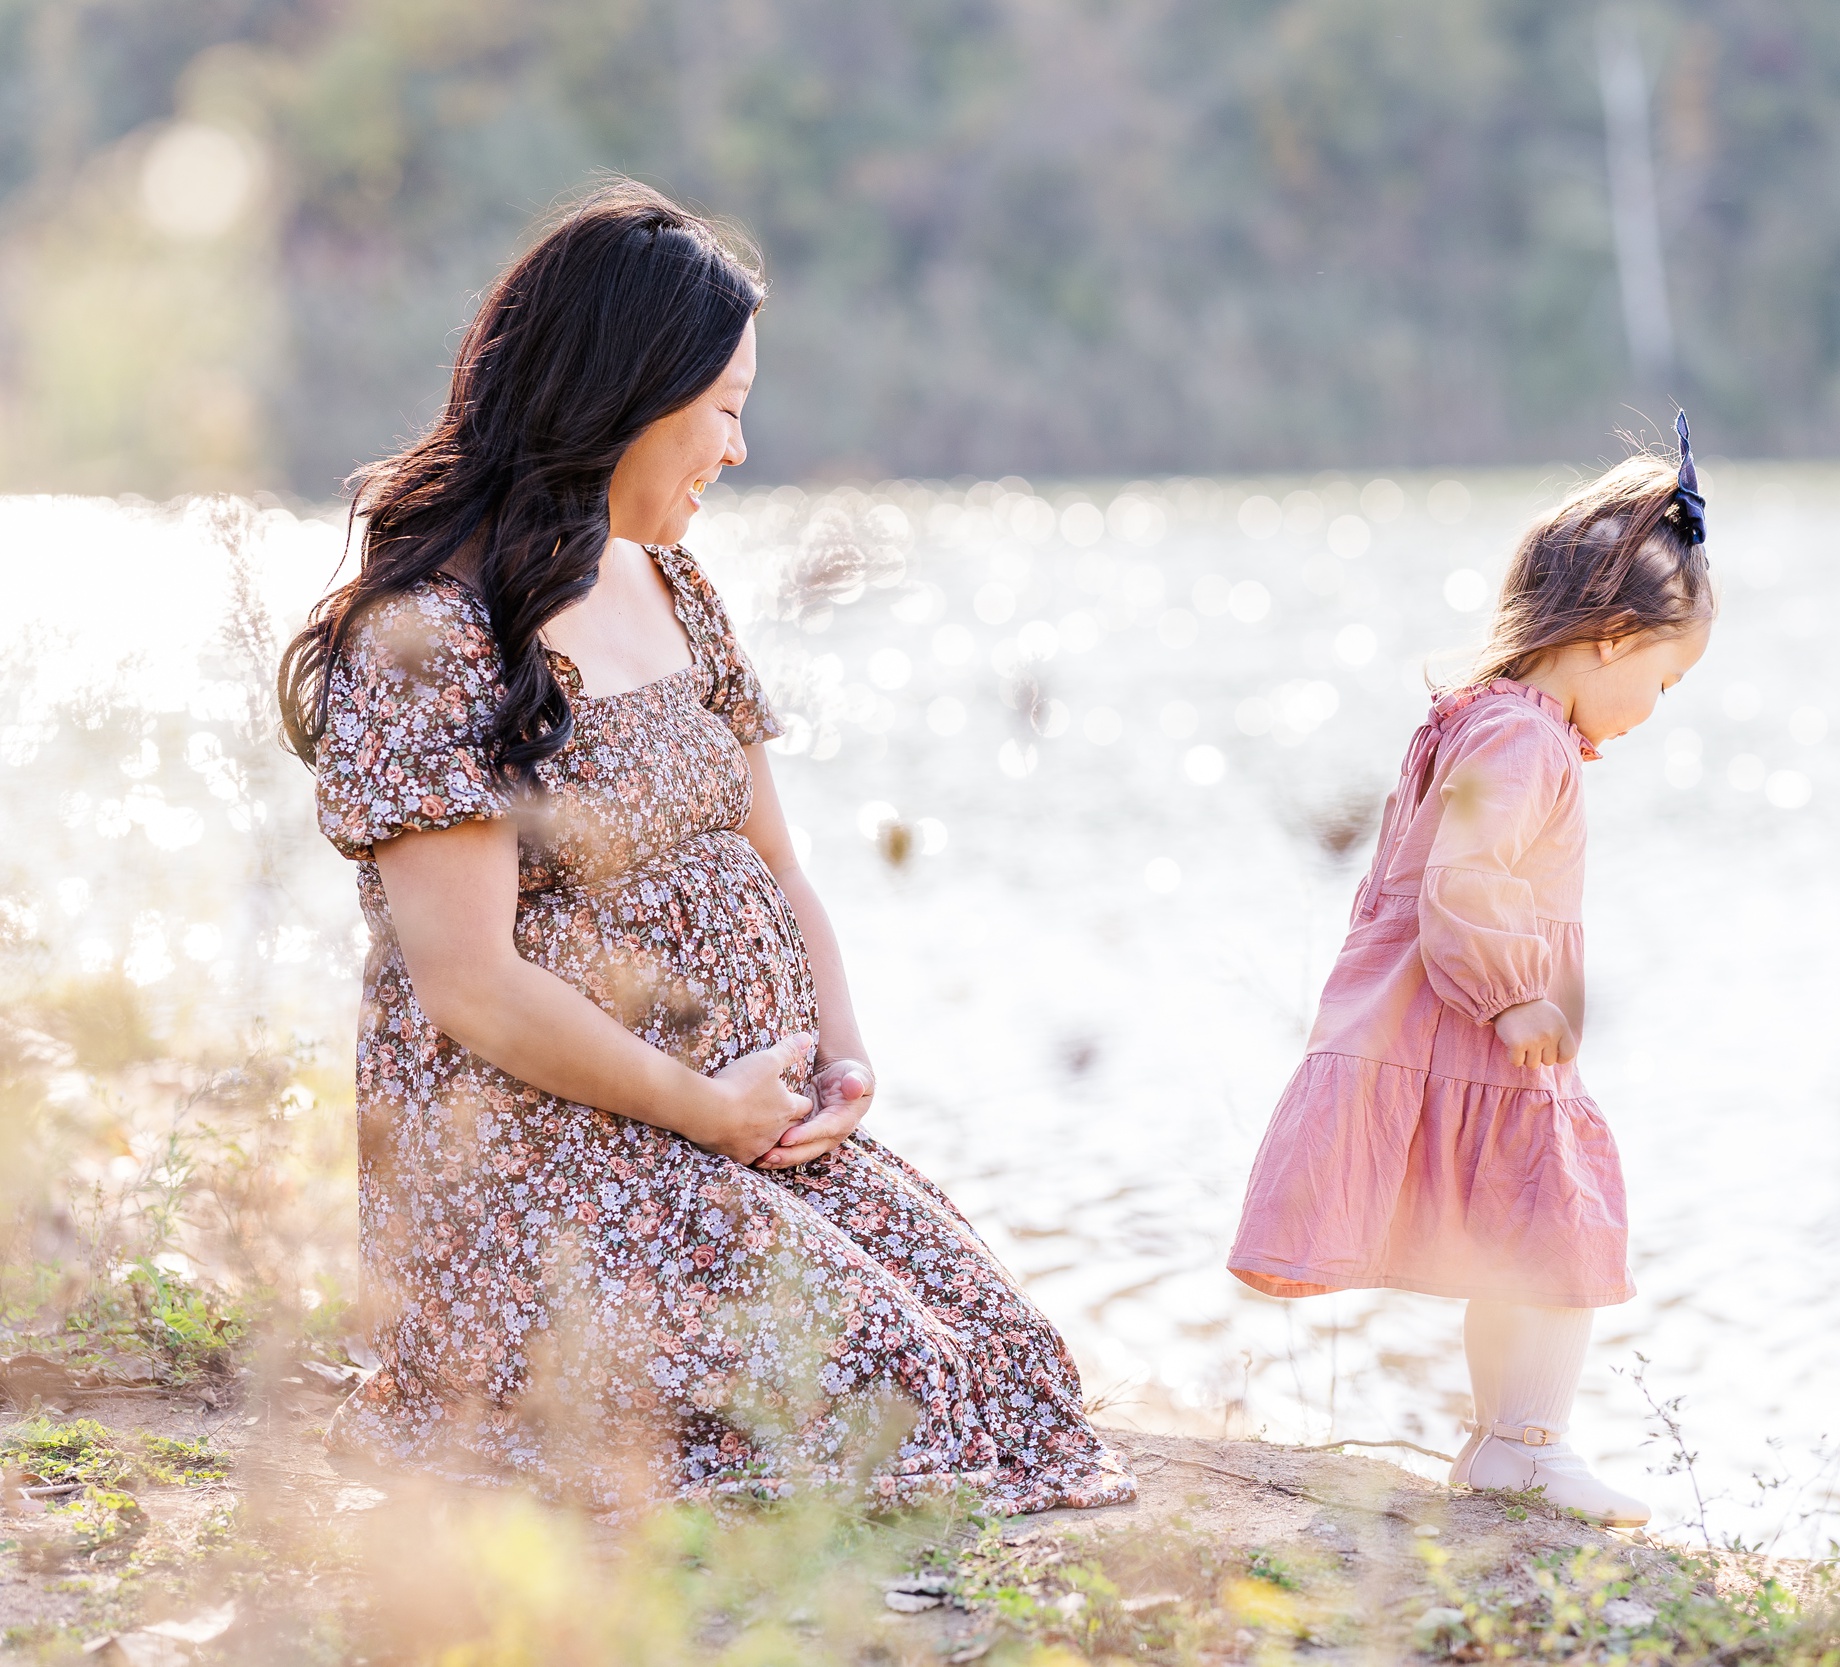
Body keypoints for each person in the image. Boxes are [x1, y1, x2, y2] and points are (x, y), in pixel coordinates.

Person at [276, 183, 1132, 1514]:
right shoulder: (435, 633)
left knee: (1005, 1363)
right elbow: (469, 983)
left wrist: (841, 1060)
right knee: (874, 1382)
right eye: (725, 407)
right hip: (549, 1162)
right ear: (626, 392)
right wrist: (706, 1106)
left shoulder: (673, 585)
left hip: (736, 1127)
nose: (739, 446)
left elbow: (779, 861)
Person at [1227, 420, 1716, 1525]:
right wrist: (1517, 994)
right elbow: (1463, 881)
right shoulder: (1523, 739)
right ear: (1607, 639)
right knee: (1561, 1231)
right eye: (1664, 678)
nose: (1656, 710)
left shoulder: (1496, 721)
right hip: (1481, 1028)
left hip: (1449, 1033)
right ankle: (1526, 1439)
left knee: (1527, 1234)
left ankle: (1508, 1437)